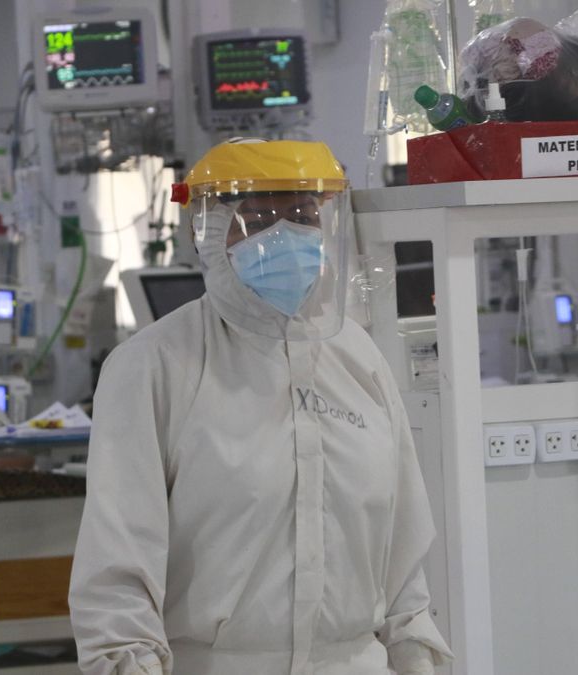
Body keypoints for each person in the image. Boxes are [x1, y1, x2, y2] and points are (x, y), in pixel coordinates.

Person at [69, 139, 453, 674]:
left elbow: (403, 556)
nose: (284, 234)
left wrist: (418, 662)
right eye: (258, 214)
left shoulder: (357, 359)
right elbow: (118, 569)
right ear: (207, 228)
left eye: (301, 215)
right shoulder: (153, 366)